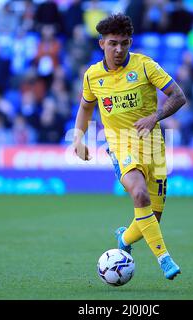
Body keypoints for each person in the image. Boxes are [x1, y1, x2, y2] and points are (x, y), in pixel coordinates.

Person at [72, 14, 186, 280]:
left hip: (154, 147)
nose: (119, 49)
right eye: (113, 43)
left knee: (151, 219)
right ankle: (164, 259)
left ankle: (124, 237)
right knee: (140, 195)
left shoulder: (145, 66)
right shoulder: (92, 76)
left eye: (124, 43)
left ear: (130, 42)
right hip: (121, 145)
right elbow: (86, 107)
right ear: (102, 44)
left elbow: (178, 96)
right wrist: (78, 138)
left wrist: (155, 116)